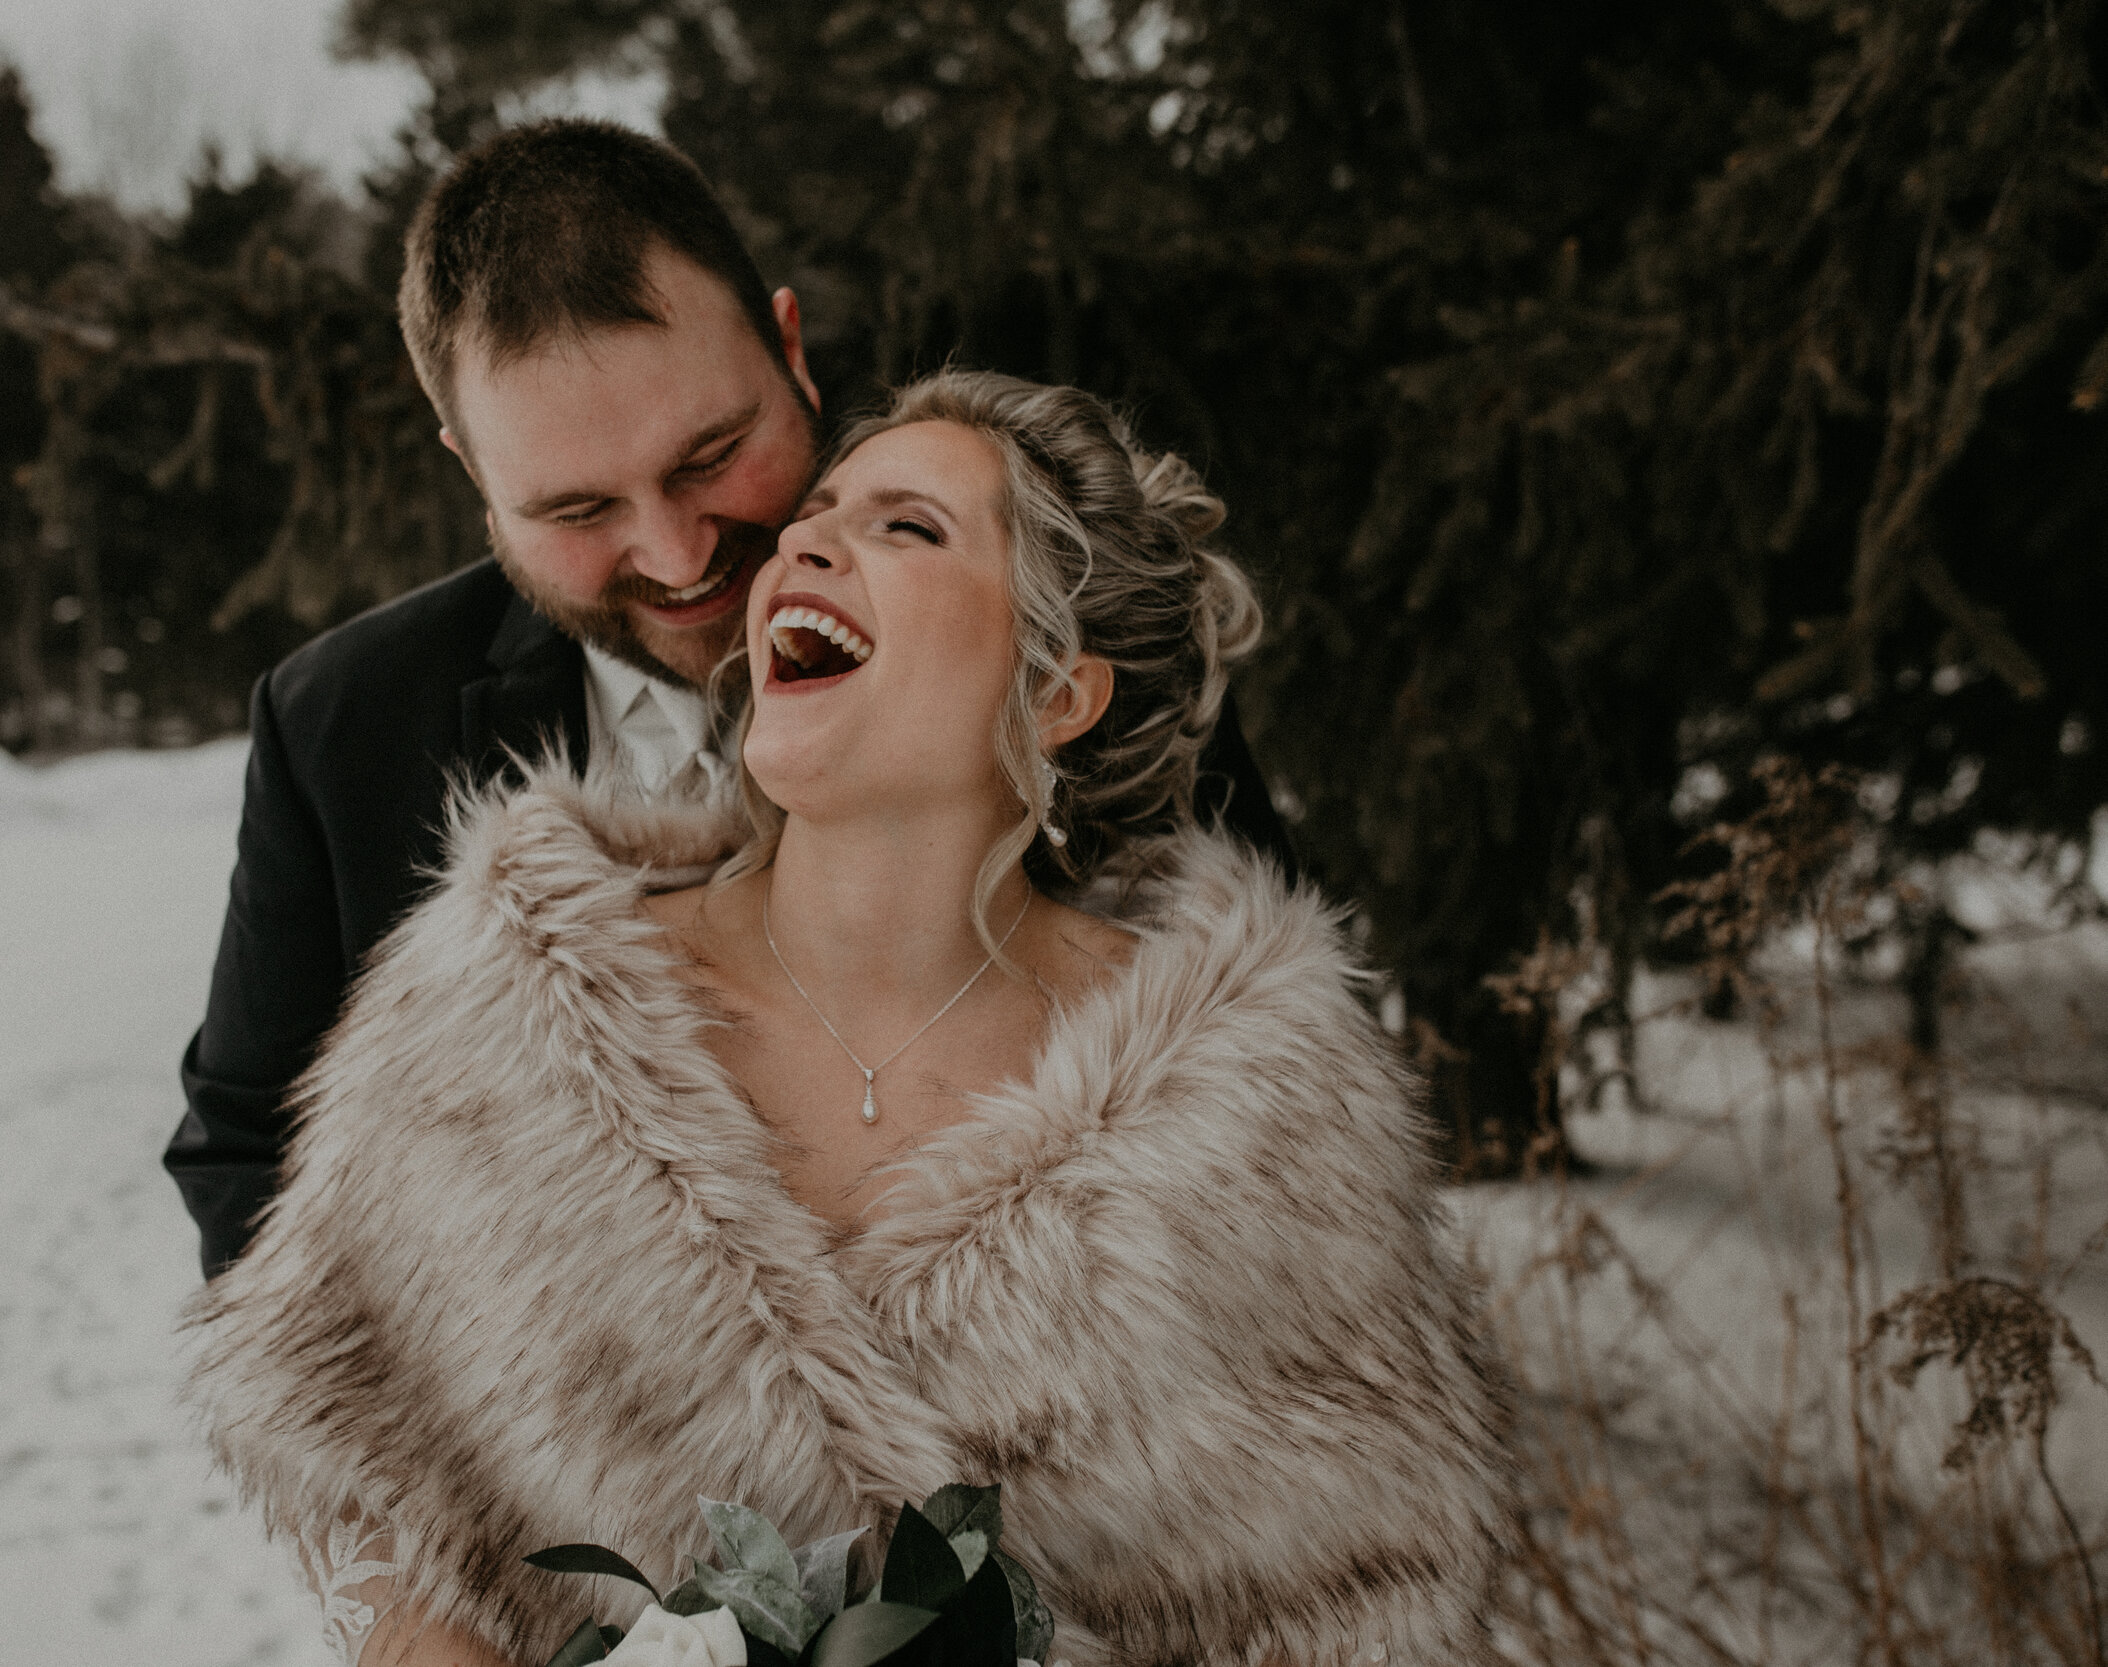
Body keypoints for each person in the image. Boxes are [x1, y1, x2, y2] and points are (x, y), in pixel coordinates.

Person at [185, 372, 1515, 1667]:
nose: (804, 540)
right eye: (818, 510)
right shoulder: (502, 1007)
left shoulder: (1264, 1117)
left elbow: (1370, 1606)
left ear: (1060, 690)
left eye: (907, 524)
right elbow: (348, 1463)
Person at [163, 120, 1293, 1280]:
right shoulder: (340, 722)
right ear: (473, 473)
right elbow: (251, 1158)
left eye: (710, 455)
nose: (676, 552)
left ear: (788, 349)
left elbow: (1279, 1087)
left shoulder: (1053, 625)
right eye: (575, 510)